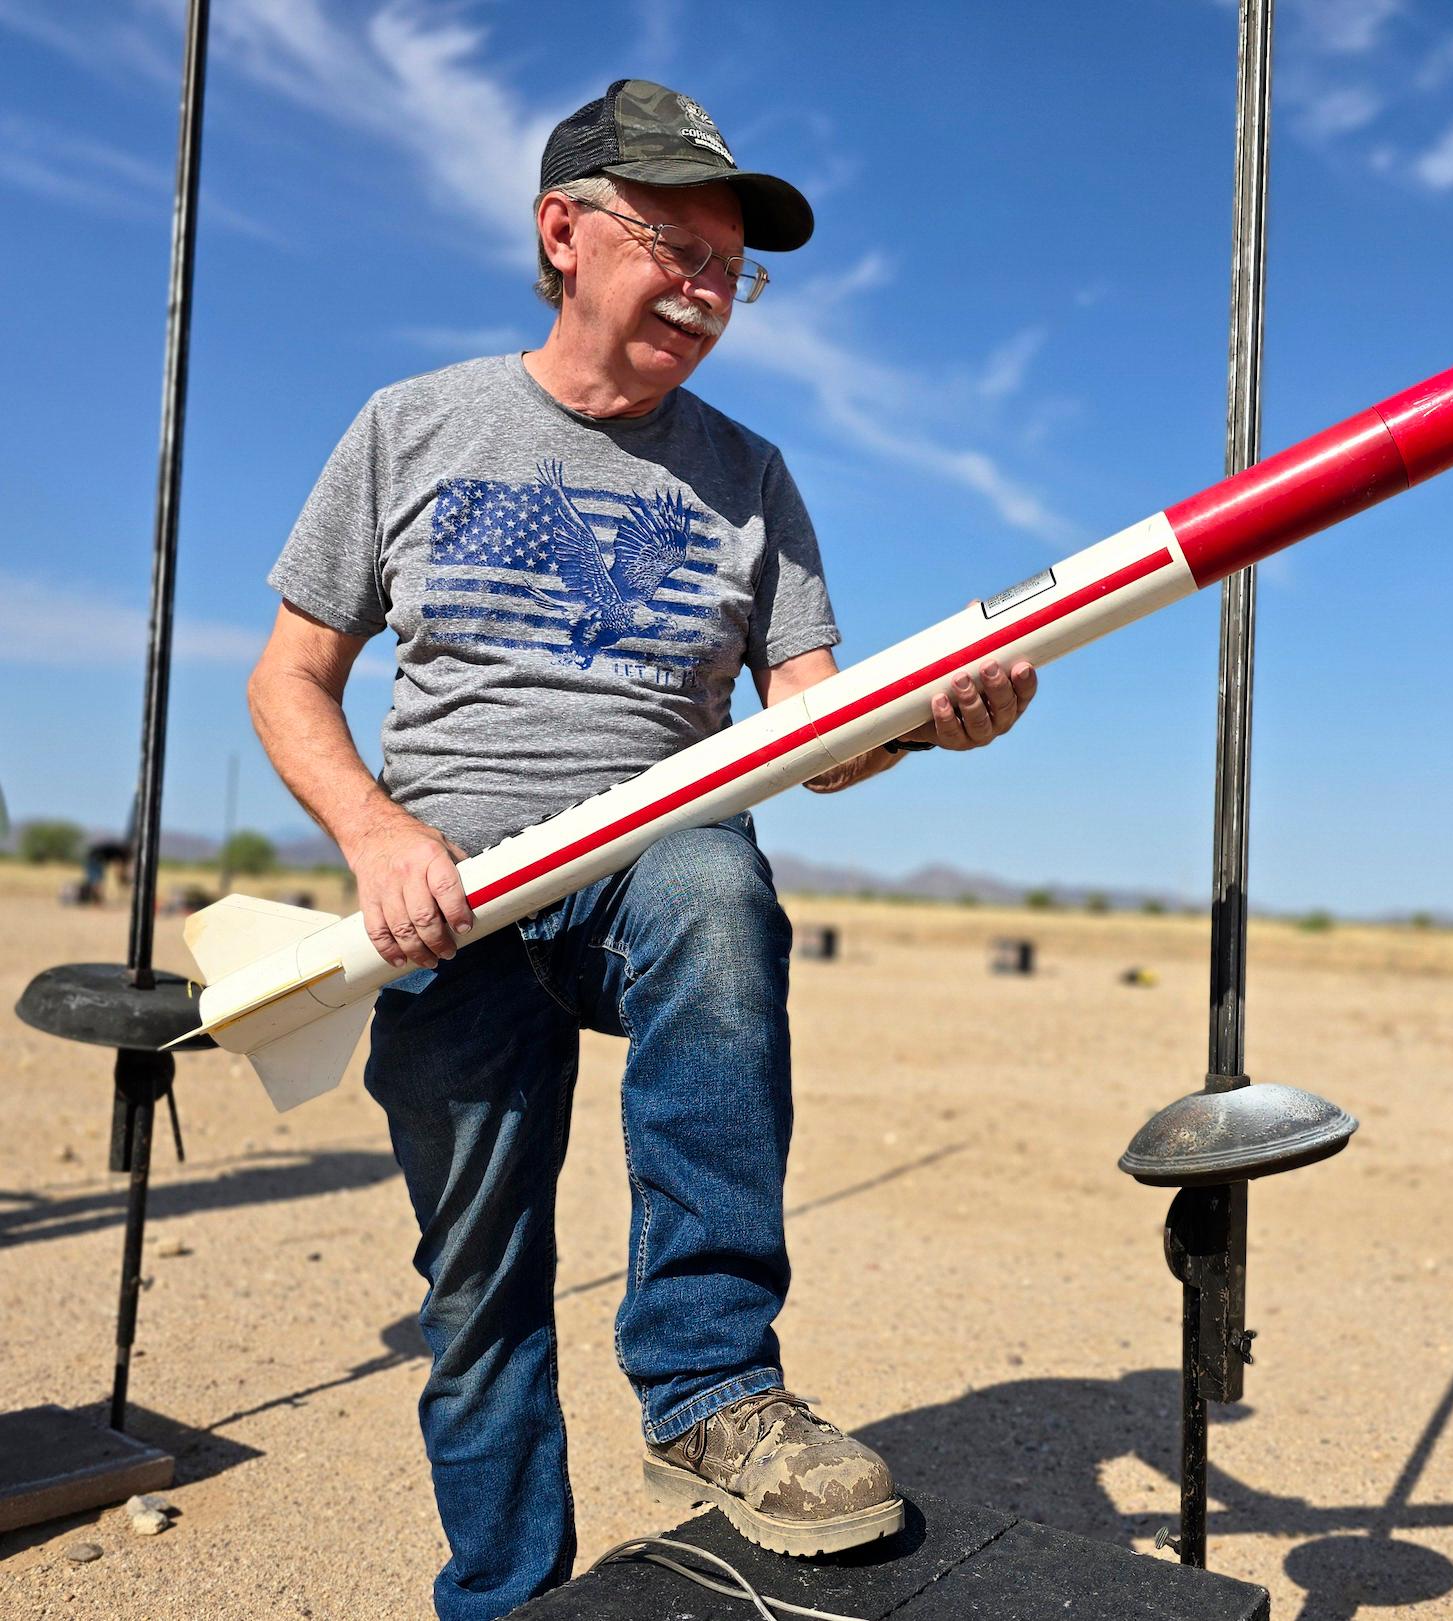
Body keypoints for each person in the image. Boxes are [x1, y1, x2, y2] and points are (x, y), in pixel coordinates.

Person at [246, 80, 1038, 1621]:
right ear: (563, 232)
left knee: (712, 878)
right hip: (441, 905)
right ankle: (505, 1597)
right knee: (477, 1294)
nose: (708, 288)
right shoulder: (410, 425)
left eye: (732, 267)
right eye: (677, 243)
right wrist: (378, 834)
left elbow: (813, 731)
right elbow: (289, 676)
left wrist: (928, 722)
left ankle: (708, 1381)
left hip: (641, 866)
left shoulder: (752, 477)